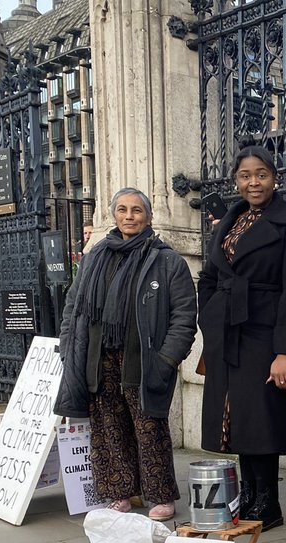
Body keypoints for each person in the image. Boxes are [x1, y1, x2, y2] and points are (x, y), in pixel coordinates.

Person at [55, 188, 197, 521]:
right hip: (98, 358)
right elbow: (73, 306)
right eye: (122, 209)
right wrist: (67, 344)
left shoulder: (166, 260)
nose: (129, 216)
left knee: (150, 427)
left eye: (136, 210)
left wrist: (167, 359)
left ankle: (160, 495)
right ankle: (120, 491)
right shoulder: (96, 256)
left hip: (144, 359)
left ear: (148, 216)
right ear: (113, 214)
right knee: (108, 427)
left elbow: (184, 315)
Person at [197, 146, 286, 530]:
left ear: (274, 177)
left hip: (265, 332)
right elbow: (211, 275)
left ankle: (269, 501)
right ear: (236, 181)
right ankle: (248, 492)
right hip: (229, 331)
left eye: (261, 174)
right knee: (238, 417)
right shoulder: (232, 220)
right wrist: (209, 317)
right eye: (246, 175)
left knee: (262, 415)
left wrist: (285, 352)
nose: (253, 182)